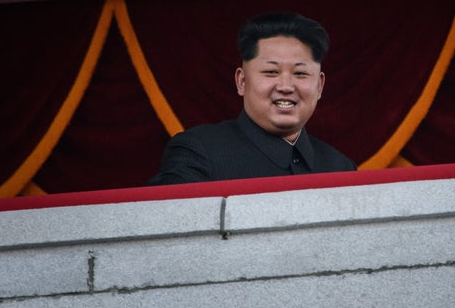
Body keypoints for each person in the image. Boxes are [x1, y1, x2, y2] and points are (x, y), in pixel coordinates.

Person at [148, 11, 356, 185]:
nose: (285, 86)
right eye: (271, 72)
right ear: (241, 81)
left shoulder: (341, 168)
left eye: (300, 74)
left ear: (319, 86)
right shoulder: (199, 152)